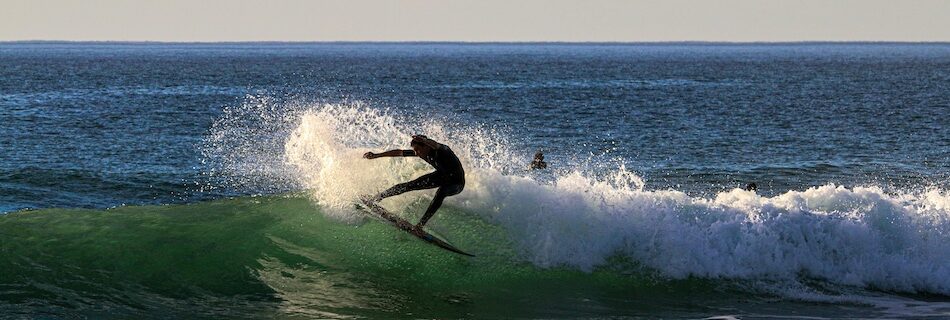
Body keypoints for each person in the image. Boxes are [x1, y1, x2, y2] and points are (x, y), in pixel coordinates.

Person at [363, 135, 465, 229]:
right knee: (408, 185)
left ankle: (420, 226)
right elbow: (399, 152)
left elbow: (436, 145)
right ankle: (375, 199)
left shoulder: (442, 150)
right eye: (414, 150)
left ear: (426, 146)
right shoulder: (422, 152)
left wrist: (425, 140)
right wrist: (376, 155)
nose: (416, 153)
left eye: (417, 149)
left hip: (456, 183)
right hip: (441, 176)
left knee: (441, 192)